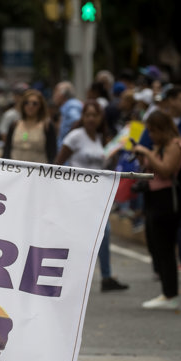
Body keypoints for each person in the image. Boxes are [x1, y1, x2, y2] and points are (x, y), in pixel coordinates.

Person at [54, 100, 129, 292]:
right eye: (87, 115)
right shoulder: (75, 137)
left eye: (94, 115)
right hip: (78, 194)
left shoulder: (101, 137)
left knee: (103, 232)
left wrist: (113, 155)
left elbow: (105, 165)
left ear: (100, 118)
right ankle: (68, 277)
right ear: (82, 117)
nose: (91, 119)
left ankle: (105, 276)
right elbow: (58, 163)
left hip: (97, 193)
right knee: (78, 236)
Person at [133, 111, 181, 309]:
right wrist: (142, 156)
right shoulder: (161, 146)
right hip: (153, 198)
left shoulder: (175, 145)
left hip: (166, 200)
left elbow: (165, 170)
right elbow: (151, 169)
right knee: (156, 245)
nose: (152, 136)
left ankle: (170, 294)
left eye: (154, 131)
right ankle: (167, 292)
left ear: (163, 129)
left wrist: (147, 153)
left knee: (165, 247)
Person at [2, 89, 57, 164]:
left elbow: (52, 153)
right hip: (15, 170)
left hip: (38, 171)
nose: (30, 106)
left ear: (40, 106)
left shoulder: (46, 126)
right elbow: (7, 150)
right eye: (26, 103)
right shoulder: (14, 125)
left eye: (34, 103)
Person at [53, 81, 83, 153]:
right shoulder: (68, 105)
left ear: (62, 94)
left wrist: (69, 140)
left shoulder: (71, 105)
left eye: (55, 92)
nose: (53, 95)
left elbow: (77, 120)